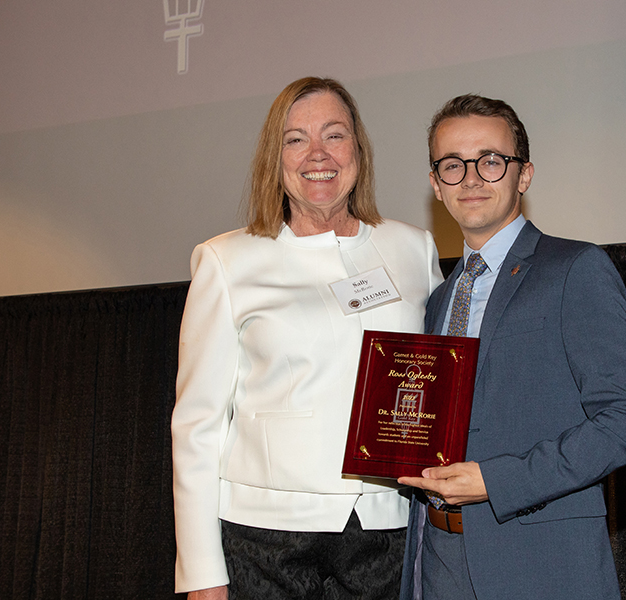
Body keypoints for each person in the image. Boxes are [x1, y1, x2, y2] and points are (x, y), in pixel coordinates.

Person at [172, 77, 443, 600]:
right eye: (296, 139)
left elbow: (436, 384)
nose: (317, 154)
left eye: (334, 135)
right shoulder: (227, 260)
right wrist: (203, 572)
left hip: (386, 530)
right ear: (275, 157)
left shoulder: (412, 248)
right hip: (264, 539)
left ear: (358, 150)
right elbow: (197, 425)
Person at [397, 95, 626, 600]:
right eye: (452, 165)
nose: (471, 178)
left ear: (524, 175)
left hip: (540, 565)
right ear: (435, 183)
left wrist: (497, 481)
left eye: (491, 161)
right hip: (437, 562)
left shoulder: (574, 270)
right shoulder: (436, 301)